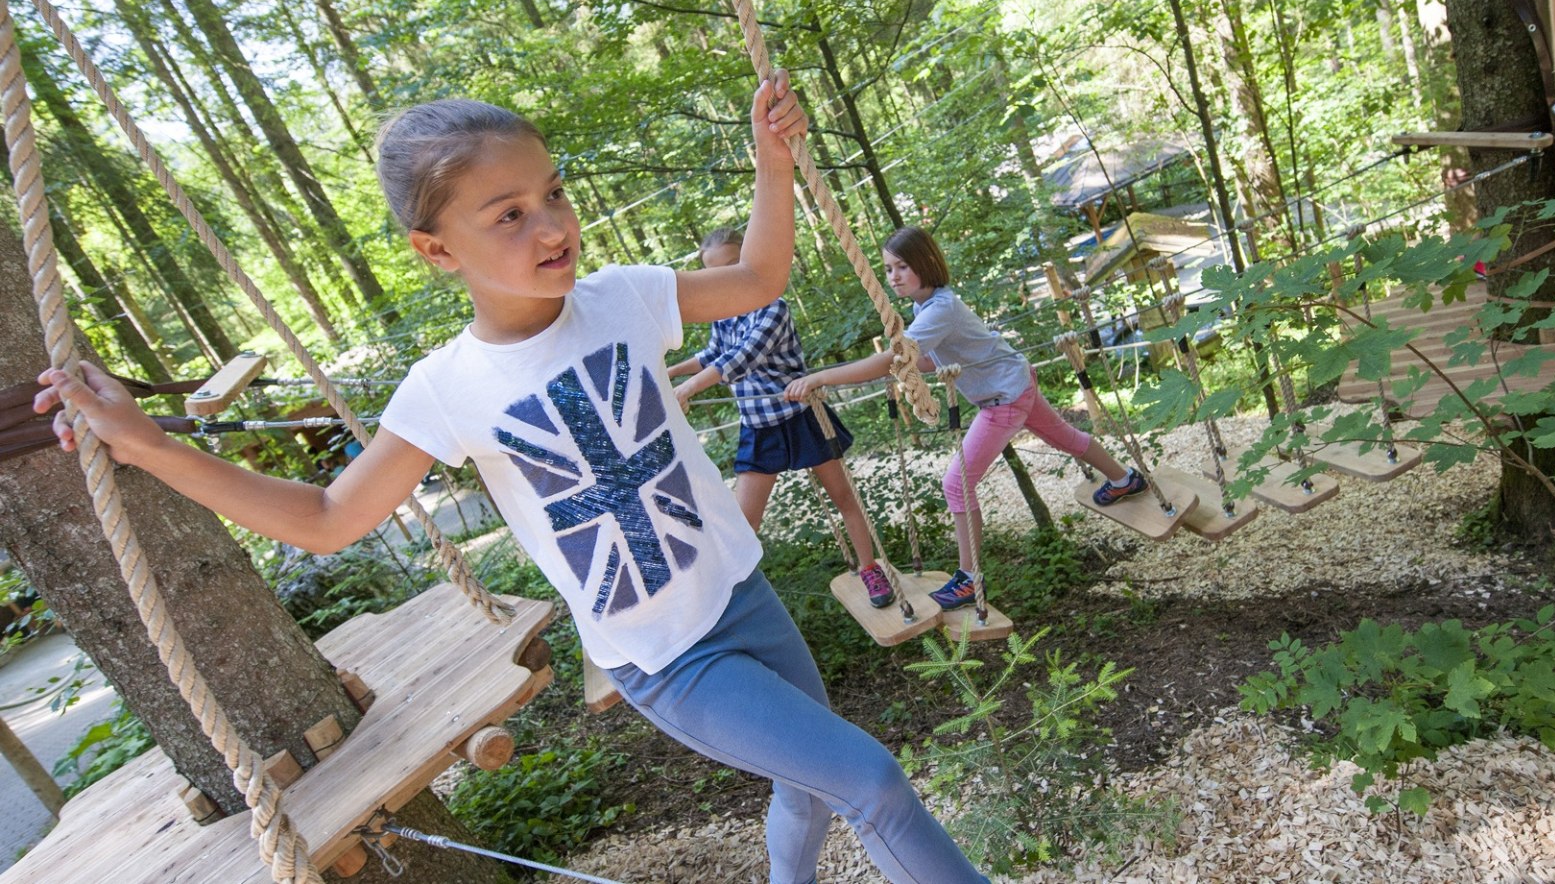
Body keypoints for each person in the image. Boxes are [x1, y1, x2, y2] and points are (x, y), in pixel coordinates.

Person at [35, 78, 987, 884]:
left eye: (555, 193)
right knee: (871, 781)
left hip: (743, 594)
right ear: (438, 250)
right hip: (665, 656)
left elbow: (760, 276)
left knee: (805, 787)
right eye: (510, 214)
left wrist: (771, 163)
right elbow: (327, 518)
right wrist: (152, 445)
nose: (552, 225)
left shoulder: (623, 298)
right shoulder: (447, 389)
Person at [784, 226, 1147, 612]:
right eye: (889, 269)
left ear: (925, 263)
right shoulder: (928, 306)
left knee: (956, 484)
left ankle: (968, 579)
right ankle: (1125, 479)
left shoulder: (941, 308)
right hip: (1015, 380)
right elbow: (924, 359)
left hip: (1003, 397)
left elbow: (897, 357)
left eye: (902, 267)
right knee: (1064, 437)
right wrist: (903, 370)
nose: (893, 277)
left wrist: (822, 376)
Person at [668, 227, 895, 608]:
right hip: (759, 428)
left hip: (801, 416)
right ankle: (735, 598)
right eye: (714, 272)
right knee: (744, 524)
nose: (724, 277)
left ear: (747, 261)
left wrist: (689, 389)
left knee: (844, 497)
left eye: (733, 265)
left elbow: (737, 360)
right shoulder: (722, 315)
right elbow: (712, 353)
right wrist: (670, 372)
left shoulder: (773, 308)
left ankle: (870, 567)